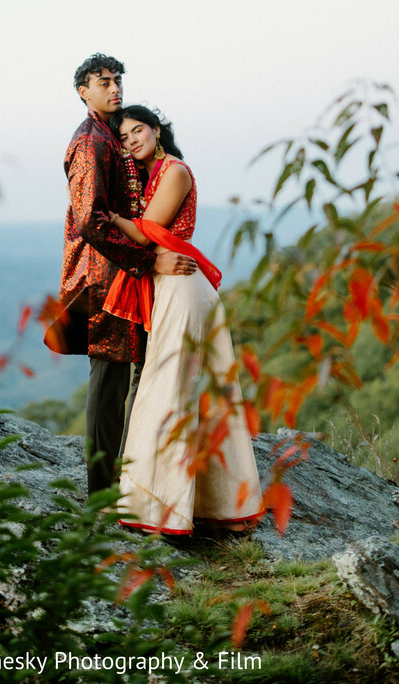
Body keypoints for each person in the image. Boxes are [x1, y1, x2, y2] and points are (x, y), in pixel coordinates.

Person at [105, 105, 264, 535]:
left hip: (183, 288)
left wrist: (110, 217)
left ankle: (157, 508)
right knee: (193, 392)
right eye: (124, 137)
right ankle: (216, 508)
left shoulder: (174, 171)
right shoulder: (150, 176)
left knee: (167, 387)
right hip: (174, 286)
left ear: (156, 131)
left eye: (138, 130)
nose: (132, 140)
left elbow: (147, 230)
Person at [44, 55, 197, 495]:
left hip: (125, 274)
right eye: (103, 83)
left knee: (140, 375)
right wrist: (148, 262)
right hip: (102, 276)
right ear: (83, 92)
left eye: (117, 81)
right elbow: (90, 221)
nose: (114, 89)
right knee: (109, 381)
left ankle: (133, 481)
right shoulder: (90, 142)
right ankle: (101, 493)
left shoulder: (113, 136)